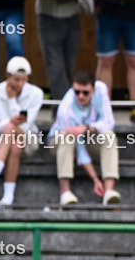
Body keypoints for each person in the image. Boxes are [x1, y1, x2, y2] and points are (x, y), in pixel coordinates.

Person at [49, 72, 120, 206]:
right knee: (68, 138)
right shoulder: (66, 108)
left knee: (109, 136)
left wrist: (86, 128)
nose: (80, 96)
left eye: (85, 93)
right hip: (59, 144)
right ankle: (65, 192)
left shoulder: (101, 90)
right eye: (77, 92)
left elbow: (109, 122)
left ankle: (110, 191)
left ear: (93, 90)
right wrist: (95, 179)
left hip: (87, 137)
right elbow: (79, 148)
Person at [0, 56, 43, 207]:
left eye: (24, 79)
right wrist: (8, 124)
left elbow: (23, 128)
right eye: (17, 79)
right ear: (8, 77)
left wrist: (11, 100)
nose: (21, 84)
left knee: (12, 133)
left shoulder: (36, 94)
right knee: (14, 140)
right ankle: (8, 196)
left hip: (27, 139)